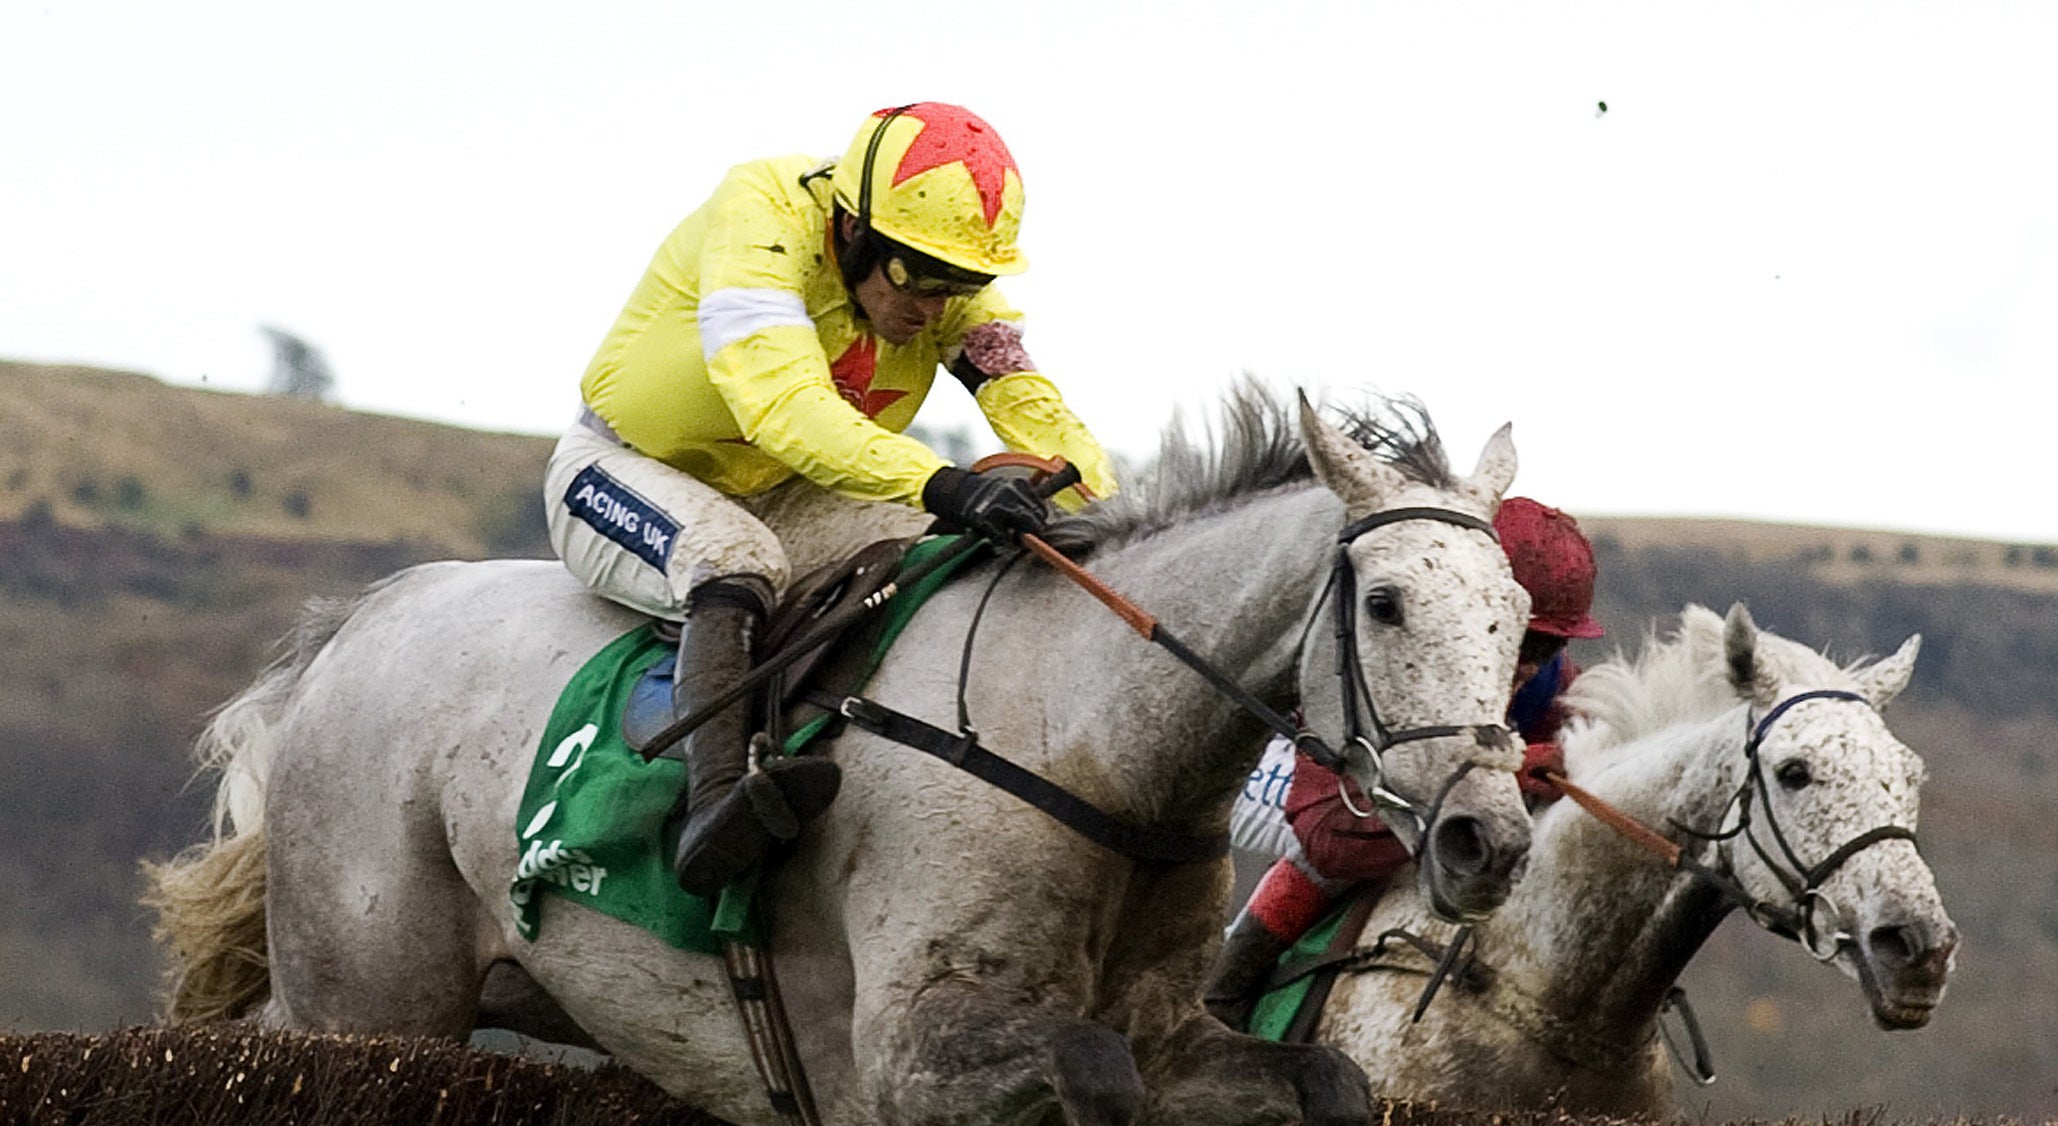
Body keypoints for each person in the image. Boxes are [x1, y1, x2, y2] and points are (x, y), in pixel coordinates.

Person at [543, 102, 1118, 897]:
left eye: (963, 284)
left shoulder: (941, 280)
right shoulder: (762, 214)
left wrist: (1109, 513)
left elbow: (1028, 400)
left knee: (943, 553)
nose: (932, 306)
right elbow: (781, 408)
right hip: (622, 468)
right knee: (734, 560)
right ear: (851, 226)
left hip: (790, 491)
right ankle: (712, 808)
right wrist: (947, 483)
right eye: (917, 276)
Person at [1205, 496, 1606, 1027]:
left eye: (1547, 647)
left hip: (1382, 792)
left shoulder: (1556, 692)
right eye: (1517, 638)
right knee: (1324, 860)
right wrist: (1507, 772)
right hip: (1291, 777)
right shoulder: (1395, 666)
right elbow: (1328, 836)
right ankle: (1217, 999)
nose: (1529, 663)